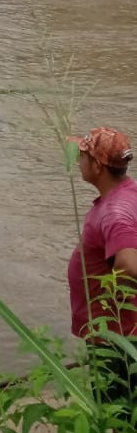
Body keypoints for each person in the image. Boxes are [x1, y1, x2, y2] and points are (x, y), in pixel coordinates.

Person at [67, 127, 137, 349]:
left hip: (117, 338)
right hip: (123, 332)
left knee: (114, 385)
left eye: (83, 156)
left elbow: (129, 265)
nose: (79, 161)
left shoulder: (115, 212)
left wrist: (114, 303)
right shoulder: (129, 192)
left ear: (97, 166)